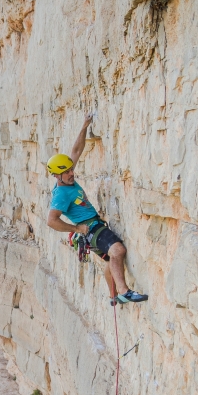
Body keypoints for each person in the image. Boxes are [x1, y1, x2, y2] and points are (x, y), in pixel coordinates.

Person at [45, 115, 148, 305]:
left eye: (70, 170)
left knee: (110, 260)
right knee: (117, 250)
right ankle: (125, 292)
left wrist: (84, 126)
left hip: (93, 227)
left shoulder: (65, 176)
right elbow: (51, 220)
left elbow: (76, 150)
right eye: (66, 172)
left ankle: (113, 296)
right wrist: (76, 230)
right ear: (56, 175)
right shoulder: (60, 195)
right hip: (90, 228)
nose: (71, 173)